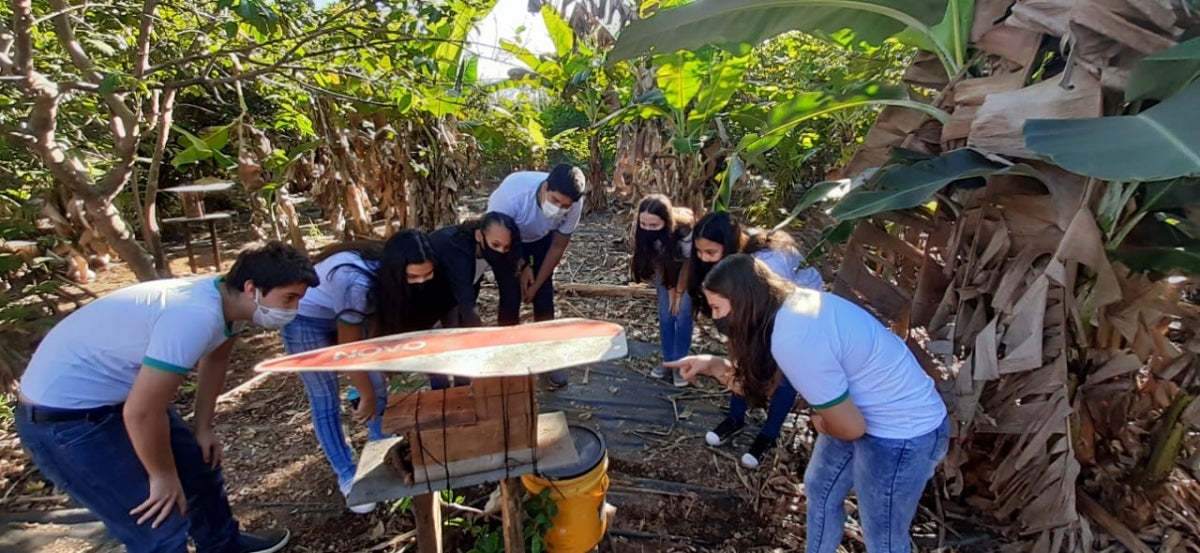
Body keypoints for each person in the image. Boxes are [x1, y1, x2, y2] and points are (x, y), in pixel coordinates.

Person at [15, 241, 317, 553]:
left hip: (120, 399)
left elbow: (215, 358)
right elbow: (142, 414)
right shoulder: (194, 316)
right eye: (289, 298)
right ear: (253, 288)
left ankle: (223, 545)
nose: (292, 309)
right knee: (157, 520)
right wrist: (162, 476)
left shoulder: (230, 302)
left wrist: (203, 427)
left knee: (199, 469)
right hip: (67, 421)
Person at [667, 254, 949, 553]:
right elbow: (763, 387)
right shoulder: (786, 307)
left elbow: (849, 428)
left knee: (884, 540)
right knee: (821, 489)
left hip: (902, 434)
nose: (716, 319)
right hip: (858, 411)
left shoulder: (794, 336)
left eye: (717, 308)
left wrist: (821, 421)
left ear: (744, 302)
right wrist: (712, 365)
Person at [280, 230, 455, 514]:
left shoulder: (382, 277)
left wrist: (380, 370)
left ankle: (382, 453)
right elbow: (350, 349)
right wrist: (365, 393)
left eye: (427, 275)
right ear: (395, 272)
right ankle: (347, 473)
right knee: (324, 398)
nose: (421, 283)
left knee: (378, 387)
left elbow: (371, 337)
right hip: (307, 319)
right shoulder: (356, 282)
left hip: (349, 314)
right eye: (413, 278)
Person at [687, 211, 824, 468]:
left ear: (728, 246)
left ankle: (768, 435)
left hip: (796, 315)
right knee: (744, 361)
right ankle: (736, 418)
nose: (703, 258)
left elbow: (776, 306)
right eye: (699, 251)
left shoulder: (765, 263)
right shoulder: (738, 261)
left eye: (710, 252)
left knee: (783, 375)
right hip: (763, 312)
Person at [486, 164, 586, 388]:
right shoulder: (511, 195)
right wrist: (522, 267)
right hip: (506, 239)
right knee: (510, 296)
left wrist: (537, 283)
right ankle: (507, 359)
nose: (559, 208)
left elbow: (558, 246)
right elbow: (497, 237)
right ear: (545, 187)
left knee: (544, 298)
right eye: (555, 200)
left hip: (542, 241)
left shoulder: (575, 203)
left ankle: (547, 361)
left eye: (565, 206)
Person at [427, 212, 522, 388]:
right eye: (496, 245)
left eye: (506, 247)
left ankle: (464, 386)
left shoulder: (495, 249)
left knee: (464, 339)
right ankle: (441, 394)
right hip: (431, 294)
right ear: (479, 235)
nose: (501, 251)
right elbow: (466, 303)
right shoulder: (456, 247)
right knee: (440, 346)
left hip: (462, 288)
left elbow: (510, 292)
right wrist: (484, 345)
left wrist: (508, 340)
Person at [629, 194, 694, 388]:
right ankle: (668, 361)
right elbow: (658, 261)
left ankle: (680, 364)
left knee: (682, 315)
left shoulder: (684, 230)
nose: (648, 229)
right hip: (665, 271)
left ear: (666, 222)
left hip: (688, 271)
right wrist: (670, 289)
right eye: (644, 224)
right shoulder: (643, 231)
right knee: (667, 316)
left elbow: (688, 263)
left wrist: (680, 292)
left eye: (654, 225)